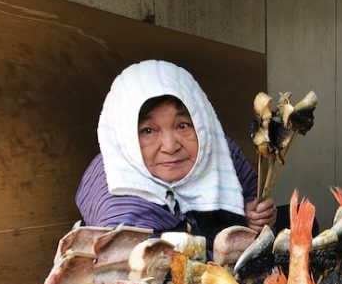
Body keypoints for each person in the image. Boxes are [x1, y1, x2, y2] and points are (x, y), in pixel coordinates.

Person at [76, 60, 277, 256]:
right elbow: (134, 277)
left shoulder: (214, 149)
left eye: (182, 125)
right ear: (125, 136)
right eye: (148, 130)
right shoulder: (118, 196)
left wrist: (256, 217)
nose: (170, 147)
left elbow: (252, 195)